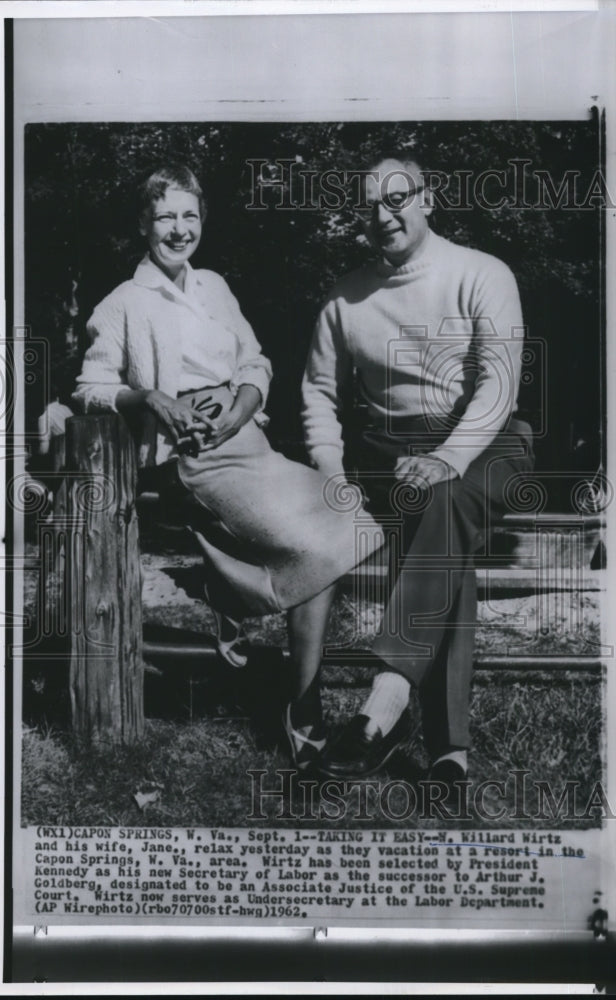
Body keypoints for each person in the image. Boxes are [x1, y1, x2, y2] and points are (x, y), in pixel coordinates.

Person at [72, 163, 383, 772]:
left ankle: (286, 678)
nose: (179, 229)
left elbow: (256, 363)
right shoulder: (122, 303)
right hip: (193, 460)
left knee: (341, 523)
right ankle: (305, 706)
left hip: (248, 444)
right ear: (144, 223)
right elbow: (90, 387)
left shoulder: (214, 285)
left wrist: (242, 408)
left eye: (189, 216)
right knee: (311, 547)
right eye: (165, 216)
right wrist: (152, 400)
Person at [302, 152, 534, 789]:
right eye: (373, 203)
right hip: (389, 454)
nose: (385, 214)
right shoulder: (345, 298)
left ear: (428, 200)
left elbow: (498, 385)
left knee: (445, 499)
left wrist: (444, 459)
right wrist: (331, 469)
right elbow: (319, 393)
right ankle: (448, 755)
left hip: (490, 445)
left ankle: (386, 700)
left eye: (398, 198)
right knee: (442, 531)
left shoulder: (482, 273)